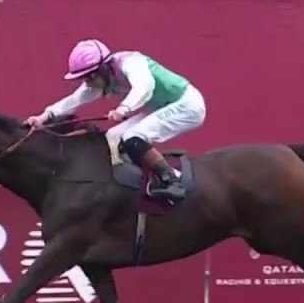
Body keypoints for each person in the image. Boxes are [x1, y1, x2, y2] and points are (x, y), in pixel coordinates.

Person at [24, 39, 207, 201]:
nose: (87, 82)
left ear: (101, 69)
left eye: (89, 77)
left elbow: (145, 87)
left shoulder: (131, 63)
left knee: (133, 137)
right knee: (113, 136)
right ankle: (141, 180)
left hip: (187, 105)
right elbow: (74, 100)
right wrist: (43, 118)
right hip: (164, 106)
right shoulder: (104, 76)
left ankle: (172, 182)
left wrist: (124, 109)